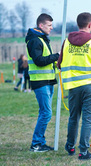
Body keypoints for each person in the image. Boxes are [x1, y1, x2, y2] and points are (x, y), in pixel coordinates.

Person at [57, 12, 91, 160]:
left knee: (73, 117)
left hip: (73, 86)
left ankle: (70, 146)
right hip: (90, 87)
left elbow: (59, 63)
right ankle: (83, 151)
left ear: (78, 24)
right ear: (90, 25)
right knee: (87, 119)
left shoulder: (67, 42)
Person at [25, 13, 59, 152]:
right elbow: (39, 61)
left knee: (44, 113)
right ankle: (36, 144)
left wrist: (56, 62)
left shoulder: (42, 39)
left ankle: (40, 142)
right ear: (41, 25)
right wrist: (56, 56)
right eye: (49, 25)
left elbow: (46, 60)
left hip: (48, 81)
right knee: (46, 113)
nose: (51, 28)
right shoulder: (35, 40)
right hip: (40, 82)